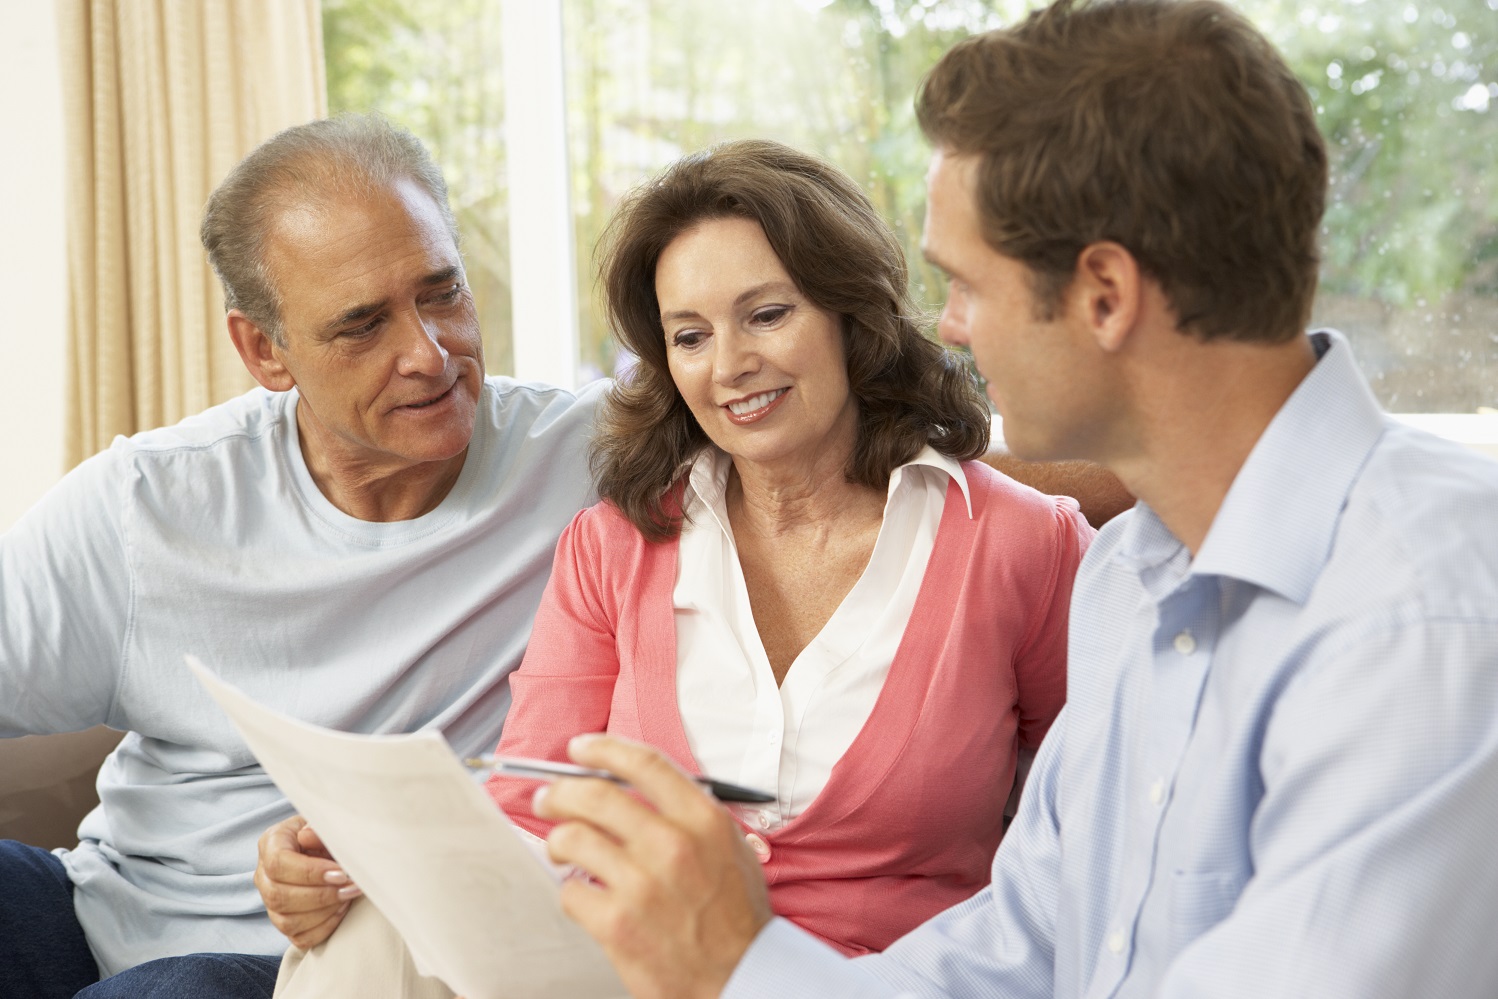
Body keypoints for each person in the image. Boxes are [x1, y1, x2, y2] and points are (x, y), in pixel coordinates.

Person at [524, 1, 1498, 997]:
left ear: (1103, 296)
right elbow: (1013, 952)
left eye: (967, 285)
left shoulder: (1420, 616)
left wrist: (740, 965)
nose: (945, 327)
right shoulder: (1131, 579)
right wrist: (738, 966)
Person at [258, 138, 1094, 997]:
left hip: (870, 981)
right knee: (364, 933)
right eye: (689, 335)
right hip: (619, 975)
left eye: (767, 315)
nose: (729, 366)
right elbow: (526, 805)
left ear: (852, 312)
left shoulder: (1023, 546)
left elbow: (1093, 833)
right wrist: (365, 856)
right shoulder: (615, 546)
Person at [0, 115, 605, 998]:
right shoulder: (149, 504)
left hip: (306, 965)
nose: (428, 355)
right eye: (362, 325)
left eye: (442, 292)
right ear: (264, 351)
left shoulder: (590, 460)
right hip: (95, 918)